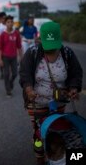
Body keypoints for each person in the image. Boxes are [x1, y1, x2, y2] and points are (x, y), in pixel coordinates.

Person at [19, 21, 83, 165]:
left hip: (59, 100)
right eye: (47, 47)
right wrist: (29, 89)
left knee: (57, 129)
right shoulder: (32, 53)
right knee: (39, 131)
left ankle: (58, 156)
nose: (51, 51)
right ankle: (40, 156)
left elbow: (76, 73)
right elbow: (24, 74)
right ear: (41, 40)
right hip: (36, 102)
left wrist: (73, 88)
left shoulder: (67, 53)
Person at [0, 15, 22, 97]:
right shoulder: (3, 34)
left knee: (15, 73)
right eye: (8, 22)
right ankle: (8, 90)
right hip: (5, 57)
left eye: (11, 22)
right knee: (6, 74)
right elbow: (0, 48)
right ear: (5, 23)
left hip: (14, 56)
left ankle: (11, 82)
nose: (10, 23)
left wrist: (21, 57)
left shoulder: (16, 33)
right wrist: (0, 59)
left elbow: (19, 46)